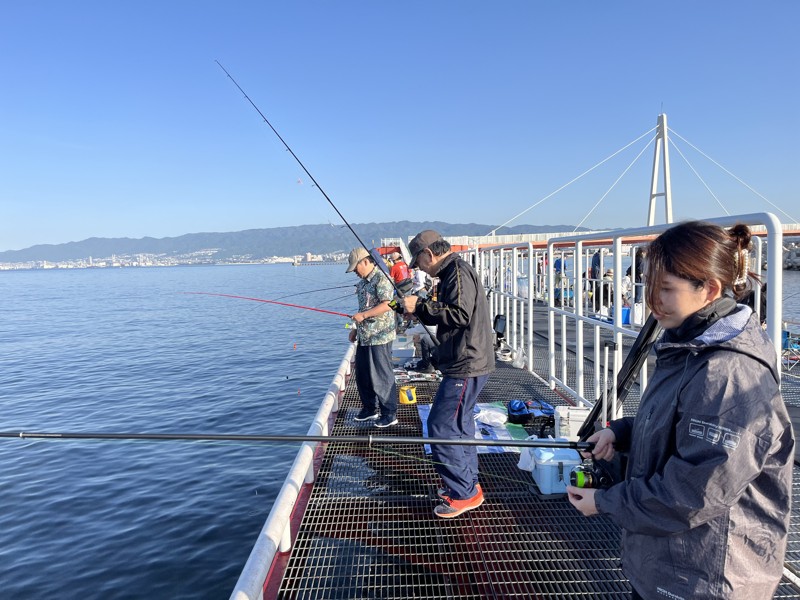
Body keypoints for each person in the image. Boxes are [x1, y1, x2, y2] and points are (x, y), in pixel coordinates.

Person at [567, 221, 793, 600]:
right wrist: (621, 433)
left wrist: (605, 502)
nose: (652, 301)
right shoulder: (687, 344)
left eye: (666, 289)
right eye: (649, 286)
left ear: (710, 290)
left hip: (710, 576)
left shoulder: (729, 373)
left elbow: (694, 491)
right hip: (675, 565)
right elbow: (682, 423)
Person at [401, 230, 495, 518]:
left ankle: (464, 492)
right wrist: (421, 310)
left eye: (418, 263)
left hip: (466, 363)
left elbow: (459, 314)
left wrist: (420, 306)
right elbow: (452, 312)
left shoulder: (456, 272)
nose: (419, 269)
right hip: (468, 360)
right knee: (460, 425)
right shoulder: (453, 272)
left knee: (441, 428)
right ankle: (467, 487)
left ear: (428, 254)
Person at [346, 247, 399, 428]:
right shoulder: (362, 283)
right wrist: (356, 327)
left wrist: (365, 315)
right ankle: (369, 408)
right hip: (365, 335)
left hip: (380, 335)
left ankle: (389, 413)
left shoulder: (381, 278)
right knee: (363, 374)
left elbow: (389, 304)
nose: (354, 272)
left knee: (381, 375)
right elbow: (363, 309)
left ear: (365, 262)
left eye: (355, 268)